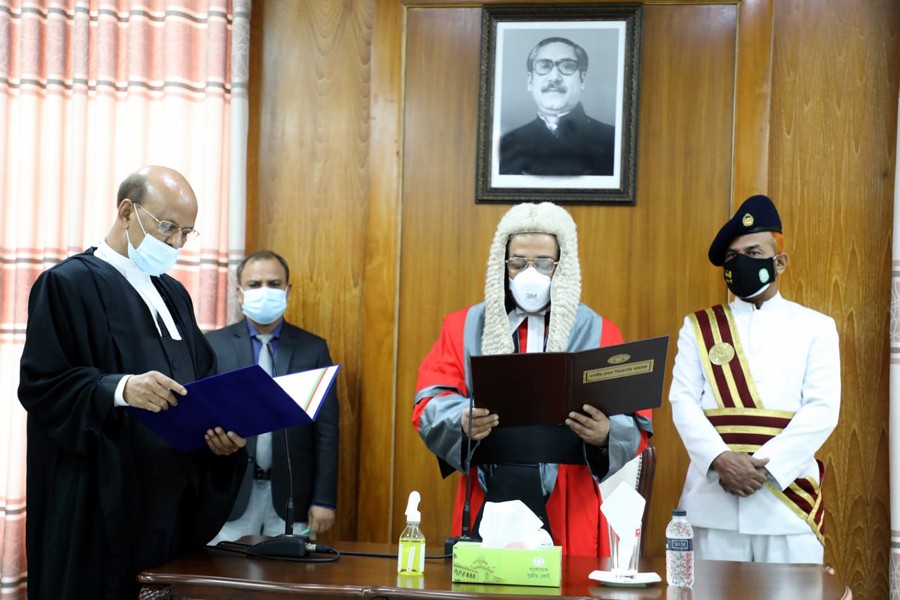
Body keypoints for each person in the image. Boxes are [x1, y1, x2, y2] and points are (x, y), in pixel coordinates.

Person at [18, 166, 247, 599]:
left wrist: (225, 433)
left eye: (186, 232)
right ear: (127, 212)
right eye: (168, 227)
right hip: (101, 511)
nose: (177, 243)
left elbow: (204, 377)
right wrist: (121, 389)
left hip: (170, 508)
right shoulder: (66, 284)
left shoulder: (173, 295)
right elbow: (40, 385)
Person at [412, 202, 652, 557]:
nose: (530, 272)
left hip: (569, 497)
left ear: (562, 266)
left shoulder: (599, 330)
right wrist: (459, 419)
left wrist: (606, 434)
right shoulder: (464, 326)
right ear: (502, 264)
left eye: (543, 263)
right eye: (518, 262)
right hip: (487, 489)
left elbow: (635, 421)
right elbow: (429, 401)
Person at [669, 194, 841, 564]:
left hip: (787, 507)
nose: (740, 263)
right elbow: (681, 402)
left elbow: (823, 410)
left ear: (779, 262)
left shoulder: (816, 327)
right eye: (732, 258)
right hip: (711, 505)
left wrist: (766, 468)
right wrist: (722, 461)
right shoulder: (698, 327)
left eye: (752, 252)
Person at [207, 250, 339, 543]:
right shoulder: (213, 346)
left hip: (293, 498)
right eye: (254, 285)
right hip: (230, 496)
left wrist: (324, 499)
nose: (264, 291)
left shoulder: (313, 348)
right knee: (227, 580)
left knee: (289, 582)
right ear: (239, 293)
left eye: (274, 283)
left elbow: (327, 431)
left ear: (287, 291)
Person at [499, 37, 616, 176]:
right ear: (530, 81)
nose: (554, 77)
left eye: (567, 66)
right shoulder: (508, 143)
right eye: (544, 66)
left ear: (582, 79)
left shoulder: (613, 140)